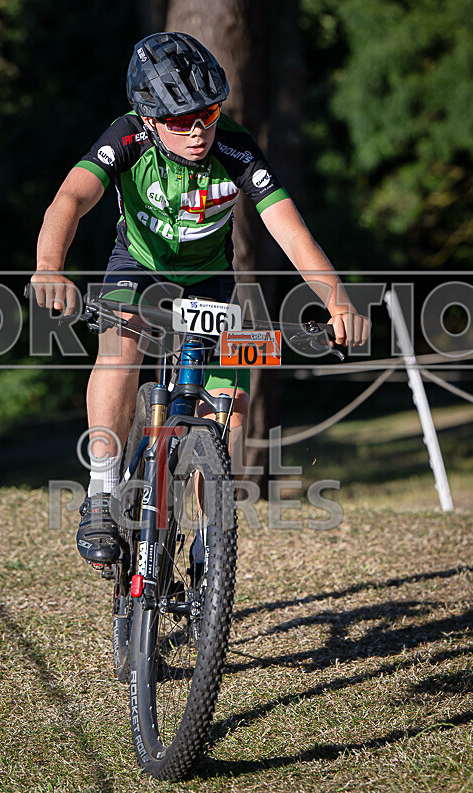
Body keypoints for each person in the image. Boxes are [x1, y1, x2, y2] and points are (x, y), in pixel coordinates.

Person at [31, 31, 370, 567]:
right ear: (147, 118)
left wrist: (339, 302)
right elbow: (70, 199)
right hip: (138, 269)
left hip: (211, 282)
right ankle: (100, 493)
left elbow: (290, 231)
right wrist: (49, 268)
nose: (197, 132)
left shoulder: (235, 147)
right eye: (180, 120)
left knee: (229, 410)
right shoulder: (126, 138)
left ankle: (211, 538)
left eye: (207, 114)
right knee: (121, 346)